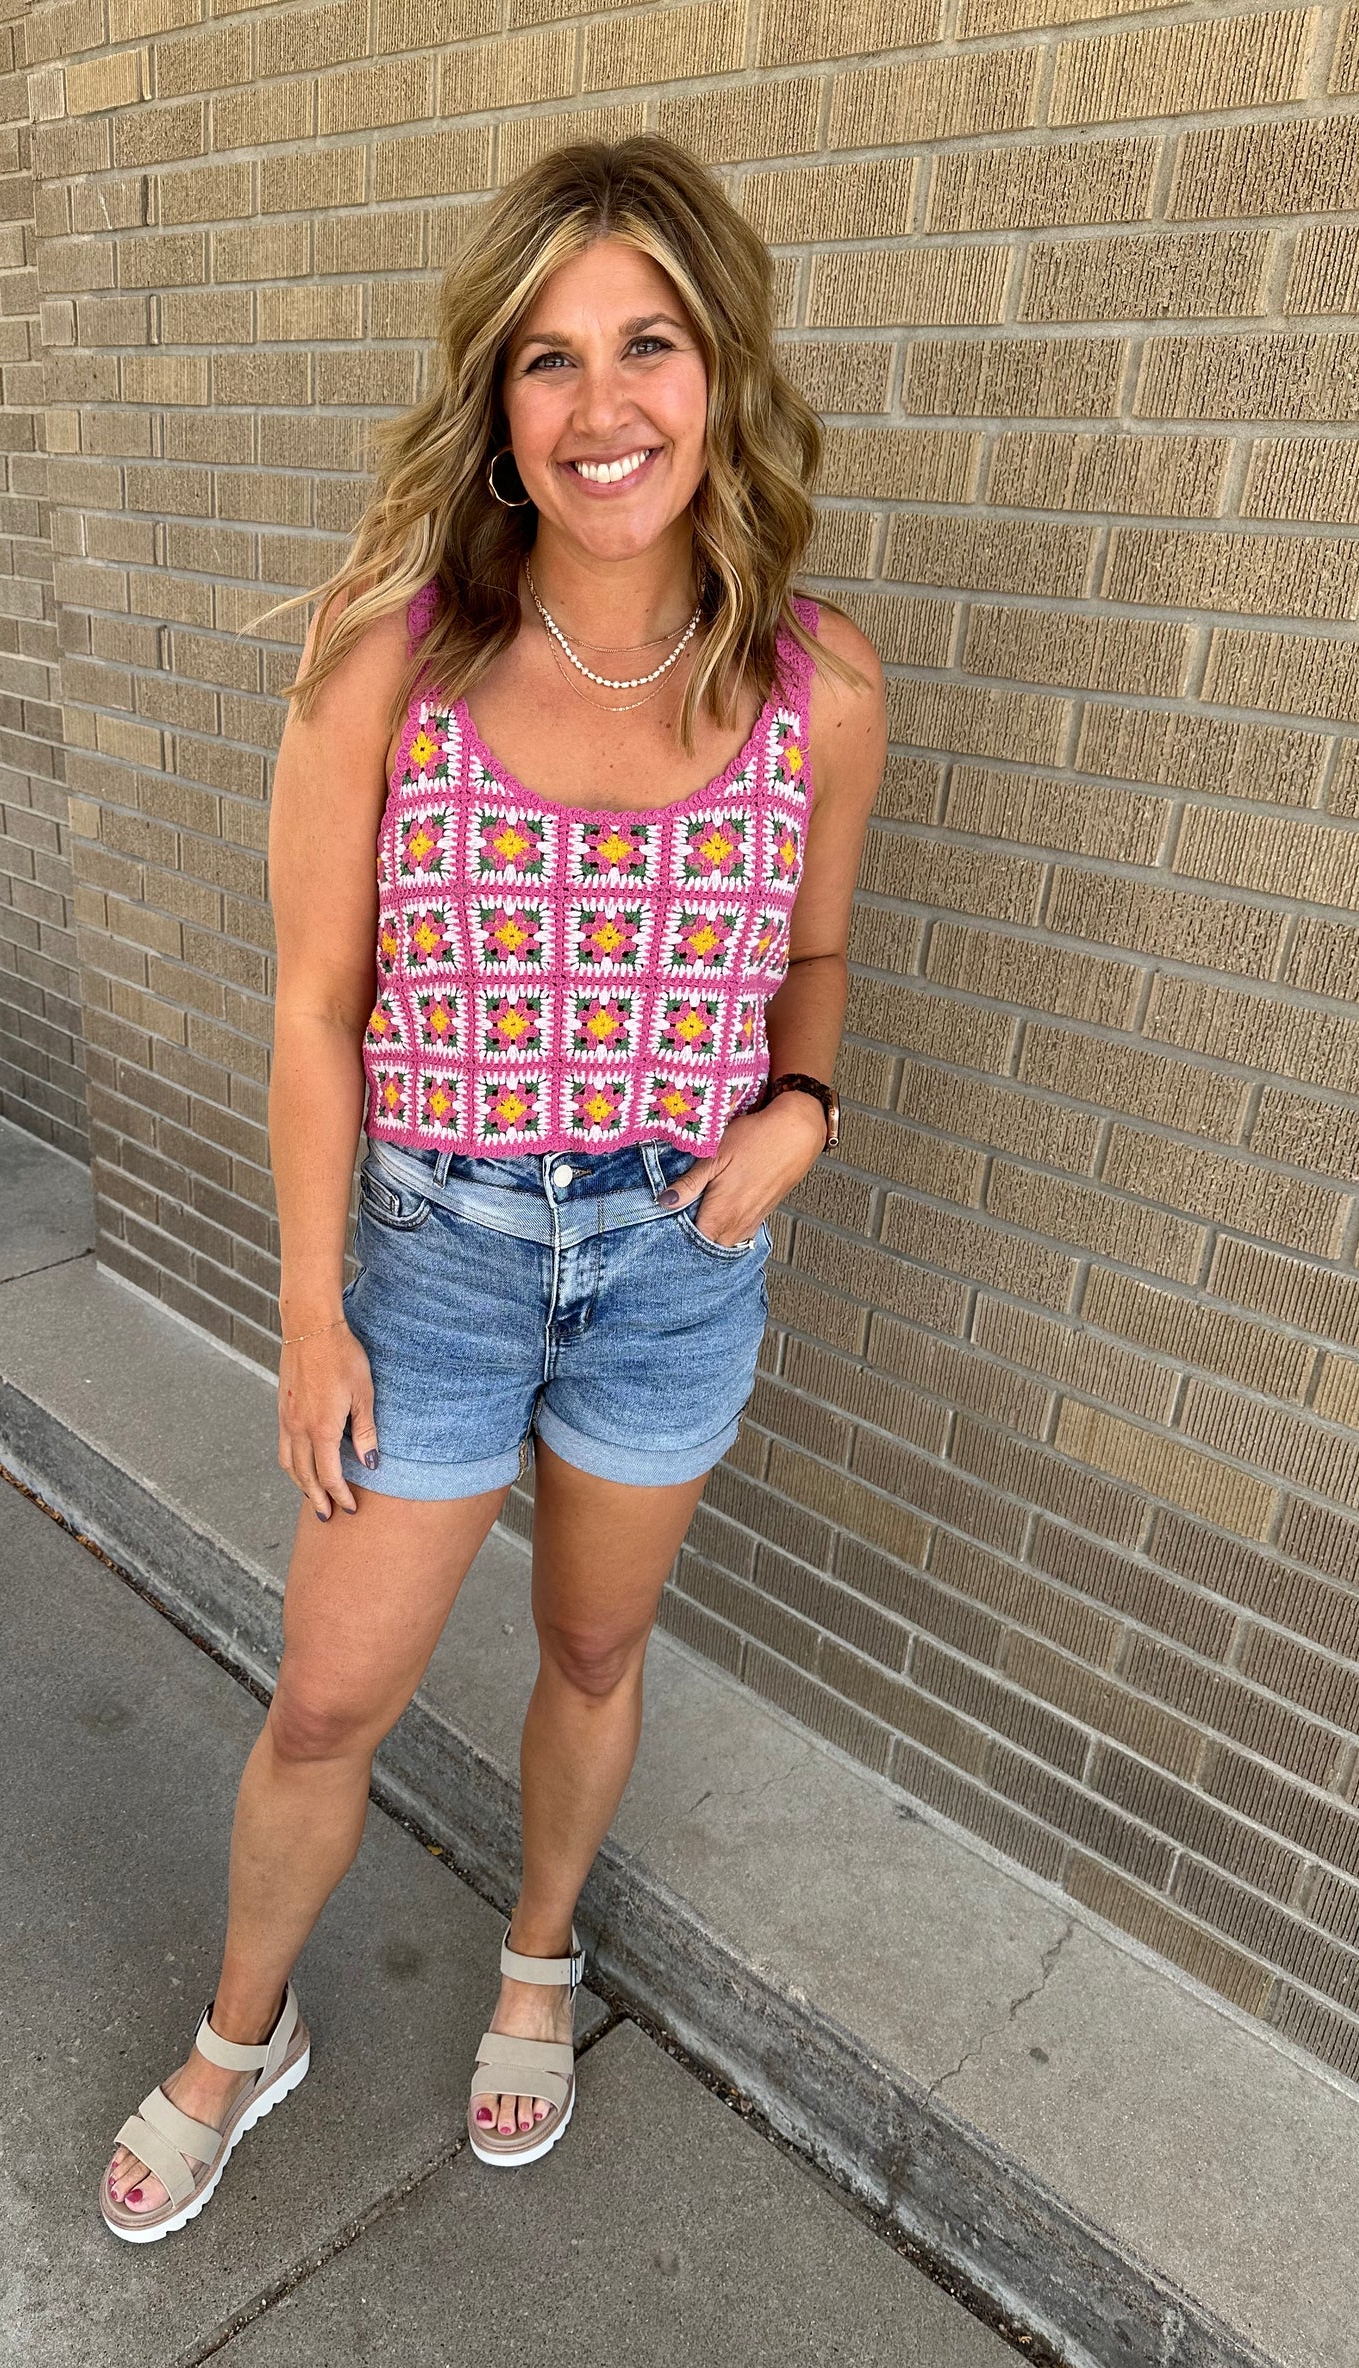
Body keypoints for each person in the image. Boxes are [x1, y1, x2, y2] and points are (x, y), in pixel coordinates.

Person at [99, 135, 886, 2241]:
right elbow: (308, 1009)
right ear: (495, 397)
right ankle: (241, 2035)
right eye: (550, 359)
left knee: (596, 1651)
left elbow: (813, 948)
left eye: (650, 344)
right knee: (333, 1692)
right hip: (436, 1258)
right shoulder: (392, 662)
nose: (603, 405)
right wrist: (309, 1309)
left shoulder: (819, 684)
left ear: (722, 370)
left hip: (677, 1257)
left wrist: (800, 1108)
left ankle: (536, 1964)